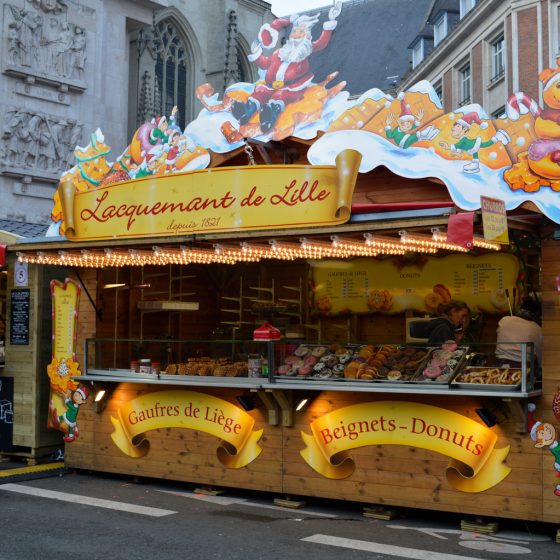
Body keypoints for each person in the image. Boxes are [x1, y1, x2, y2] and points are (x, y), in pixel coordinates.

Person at [232, 2, 342, 132]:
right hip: (271, 85)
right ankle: (246, 111)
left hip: (292, 87)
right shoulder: (279, 53)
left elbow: (322, 43)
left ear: (306, 35)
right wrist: (257, 54)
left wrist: (331, 21)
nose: (296, 34)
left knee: (280, 95)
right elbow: (265, 63)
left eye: (300, 32)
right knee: (261, 91)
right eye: (295, 31)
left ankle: (269, 117)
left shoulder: (305, 50)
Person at [439, 112, 510, 174]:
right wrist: (455, 154)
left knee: (485, 144)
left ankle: (499, 136)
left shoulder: (462, 141)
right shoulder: (462, 140)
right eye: (455, 126)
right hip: (471, 146)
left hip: (473, 144)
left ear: (464, 129)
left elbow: (453, 147)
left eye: (457, 126)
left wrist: (446, 146)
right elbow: (459, 151)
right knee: (479, 149)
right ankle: (475, 164)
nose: (454, 128)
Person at [495, 296, 543, 369]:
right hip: (523, 368)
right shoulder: (536, 329)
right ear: (536, 314)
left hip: (500, 365)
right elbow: (541, 355)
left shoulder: (504, 320)